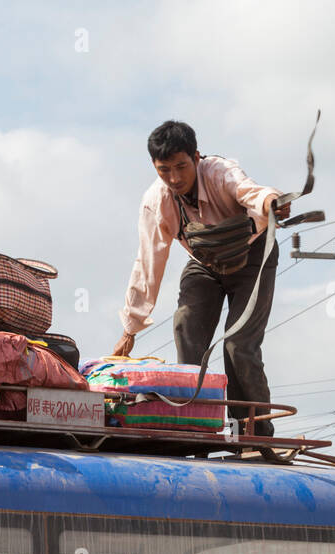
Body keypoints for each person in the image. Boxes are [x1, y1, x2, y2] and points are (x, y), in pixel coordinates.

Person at [113, 120, 289, 436]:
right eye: (164, 170)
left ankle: (253, 433)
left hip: (252, 258)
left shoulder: (220, 172)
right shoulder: (157, 201)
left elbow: (252, 192)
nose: (175, 178)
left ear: (196, 157)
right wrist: (131, 327)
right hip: (205, 264)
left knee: (238, 345)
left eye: (181, 167)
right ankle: (194, 427)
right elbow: (148, 262)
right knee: (186, 327)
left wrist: (271, 202)